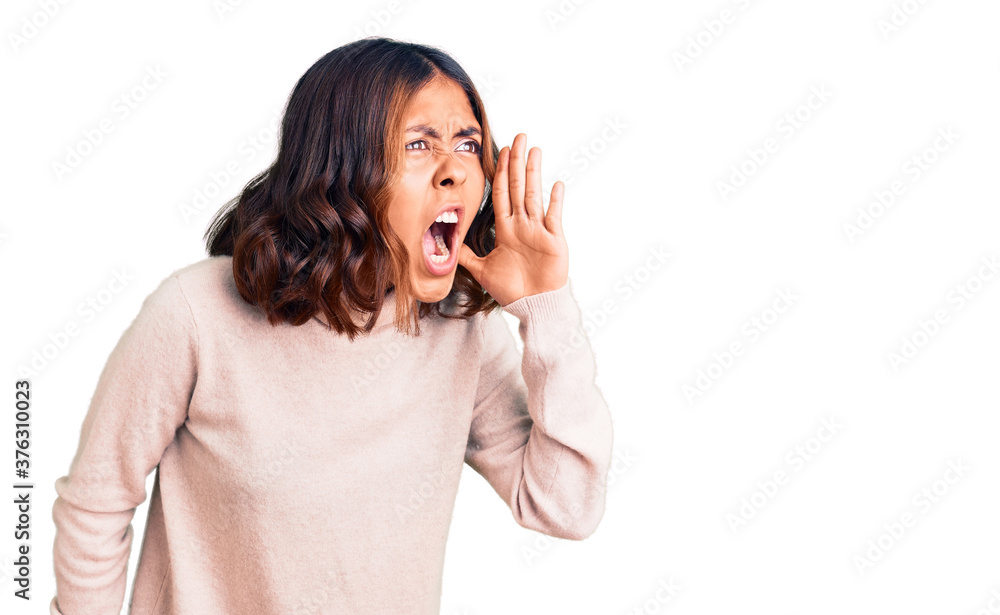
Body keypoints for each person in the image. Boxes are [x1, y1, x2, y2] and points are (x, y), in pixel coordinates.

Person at [50, 36, 613, 615]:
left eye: (468, 145)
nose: (455, 172)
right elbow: (96, 506)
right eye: (418, 143)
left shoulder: (462, 333)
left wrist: (545, 309)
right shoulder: (197, 313)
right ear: (341, 170)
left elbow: (566, 508)